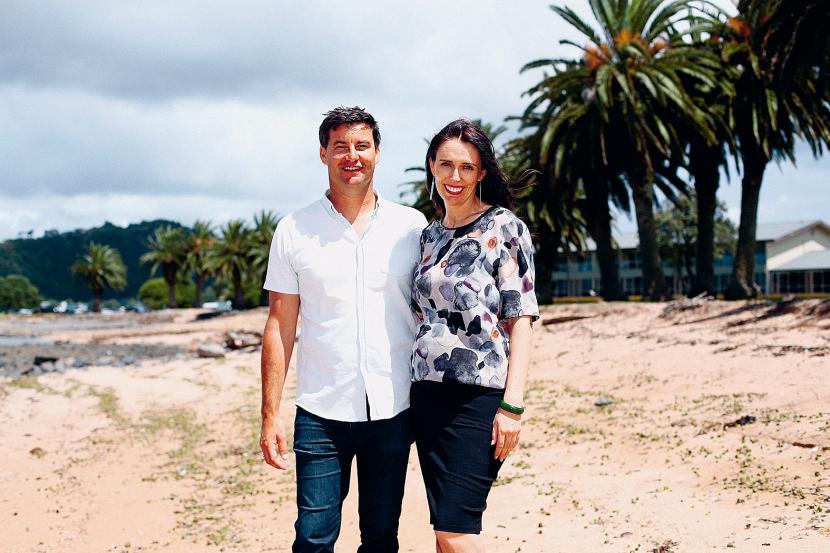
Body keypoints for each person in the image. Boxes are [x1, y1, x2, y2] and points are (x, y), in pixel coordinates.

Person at [259, 106, 427, 553]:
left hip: (394, 409)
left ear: (377, 153)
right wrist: (270, 415)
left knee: (381, 539)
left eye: (361, 146)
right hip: (320, 412)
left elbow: (433, 313)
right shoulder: (293, 230)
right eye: (340, 147)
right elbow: (279, 325)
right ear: (323, 154)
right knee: (313, 538)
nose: (352, 156)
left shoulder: (411, 227)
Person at [410, 119, 539, 553]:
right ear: (432, 165)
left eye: (467, 167)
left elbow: (521, 318)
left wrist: (512, 407)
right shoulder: (429, 237)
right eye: (446, 165)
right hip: (426, 398)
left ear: (482, 172)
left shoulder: (504, 228)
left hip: (479, 398)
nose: (455, 176)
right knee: (444, 529)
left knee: (455, 530)